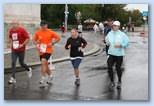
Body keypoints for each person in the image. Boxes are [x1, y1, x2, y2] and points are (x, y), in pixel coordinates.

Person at [33, 20, 60, 87]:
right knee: (45, 64)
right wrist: (36, 44)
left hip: (48, 50)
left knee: (43, 61)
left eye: (44, 25)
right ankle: (50, 76)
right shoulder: (38, 33)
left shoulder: (50, 32)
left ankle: (43, 78)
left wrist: (52, 43)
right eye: (42, 26)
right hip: (41, 51)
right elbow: (33, 40)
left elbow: (58, 38)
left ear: (46, 25)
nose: (43, 27)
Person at [105, 21, 129, 89]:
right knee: (109, 67)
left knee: (118, 68)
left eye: (116, 26)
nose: (114, 27)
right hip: (111, 53)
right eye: (114, 25)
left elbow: (127, 43)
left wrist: (121, 45)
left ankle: (119, 81)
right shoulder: (109, 33)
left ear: (118, 27)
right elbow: (107, 42)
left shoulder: (122, 34)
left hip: (119, 54)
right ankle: (112, 81)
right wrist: (107, 42)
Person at [8, 20, 32, 84]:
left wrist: (22, 44)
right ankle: (13, 78)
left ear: (18, 24)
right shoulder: (11, 30)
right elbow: (10, 37)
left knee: (21, 63)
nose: (13, 25)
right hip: (14, 50)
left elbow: (27, 38)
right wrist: (10, 43)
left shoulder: (22, 30)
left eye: (15, 24)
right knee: (13, 62)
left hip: (21, 50)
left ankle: (28, 69)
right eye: (12, 24)